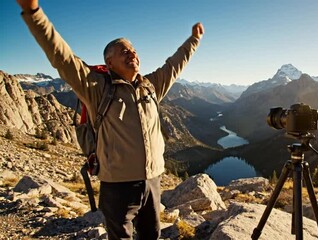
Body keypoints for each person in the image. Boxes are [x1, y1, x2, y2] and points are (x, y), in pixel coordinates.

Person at [17, 0, 204, 239]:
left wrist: (194, 39)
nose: (132, 53)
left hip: (153, 180)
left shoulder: (150, 86)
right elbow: (61, 57)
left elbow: (176, 64)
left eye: (133, 50)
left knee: (152, 235)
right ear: (109, 62)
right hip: (117, 185)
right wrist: (34, 13)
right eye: (124, 51)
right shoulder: (96, 88)